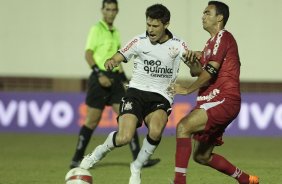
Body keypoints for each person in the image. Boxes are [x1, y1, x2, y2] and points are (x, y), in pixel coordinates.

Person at [79, 4, 189, 184]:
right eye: (148, 25)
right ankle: (98, 152)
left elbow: (195, 69)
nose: (150, 30)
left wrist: (194, 62)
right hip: (136, 93)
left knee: (155, 130)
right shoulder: (139, 41)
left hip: (161, 96)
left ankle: (136, 166)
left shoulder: (178, 45)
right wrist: (111, 61)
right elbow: (119, 55)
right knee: (124, 137)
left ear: (166, 24)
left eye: (155, 26)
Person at [169, 1, 259, 184]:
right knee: (201, 156)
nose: (203, 16)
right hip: (214, 100)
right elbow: (197, 71)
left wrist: (186, 89)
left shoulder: (223, 37)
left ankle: (179, 182)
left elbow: (210, 71)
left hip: (223, 99)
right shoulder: (211, 44)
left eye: (207, 12)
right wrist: (192, 59)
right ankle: (246, 179)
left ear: (220, 18)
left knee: (183, 127)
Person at [70, 0, 160, 169]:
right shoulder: (96, 29)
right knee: (91, 121)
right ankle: (76, 158)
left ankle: (140, 159)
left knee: (129, 116)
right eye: (108, 9)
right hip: (99, 78)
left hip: (115, 79)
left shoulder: (115, 32)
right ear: (102, 10)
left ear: (117, 11)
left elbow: (119, 59)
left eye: (113, 10)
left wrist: (125, 80)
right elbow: (88, 54)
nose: (110, 12)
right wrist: (98, 74)